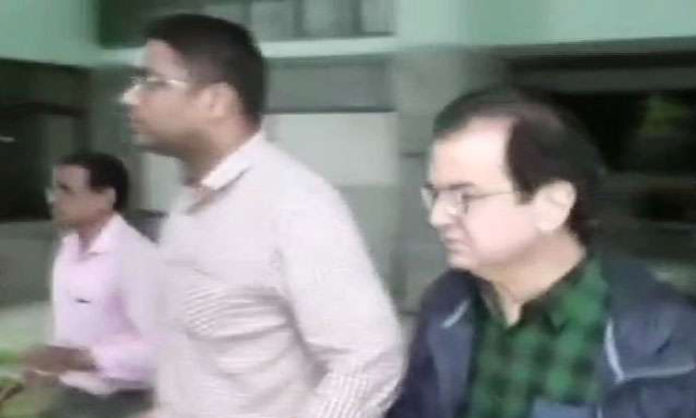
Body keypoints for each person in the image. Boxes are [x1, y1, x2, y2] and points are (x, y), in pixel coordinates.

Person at [121, 14, 403, 418]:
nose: (130, 98)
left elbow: (369, 362)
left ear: (216, 101)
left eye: (151, 82)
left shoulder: (295, 205)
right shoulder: (186, 205)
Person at [387, 87, 696, 418]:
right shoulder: (449, 303)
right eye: (434, 195)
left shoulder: (660, 339)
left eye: (465, 197)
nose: (437, 217)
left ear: (553, 205)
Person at [23, 152, 160, 417]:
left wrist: (80, 358)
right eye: (53, 190)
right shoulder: (67, 249)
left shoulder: (137, 257)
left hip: (122, 402)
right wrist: (48, 367)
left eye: (66, 190)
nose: (54, 200)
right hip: (72, 393)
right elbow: (66, 329)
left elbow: (162, 351)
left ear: (106, 198)